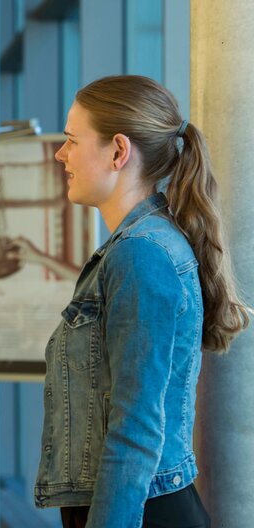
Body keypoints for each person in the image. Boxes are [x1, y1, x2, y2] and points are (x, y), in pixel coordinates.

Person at [34, 75, 250, 527]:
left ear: (118, 151)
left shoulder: (141, 254)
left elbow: (135, 429)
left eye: (72, 140)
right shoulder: (138, 246)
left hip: (137, 513)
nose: (61, 154)